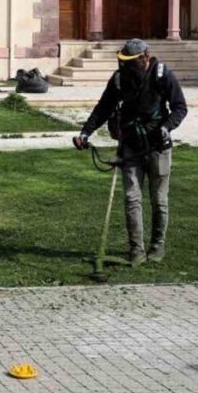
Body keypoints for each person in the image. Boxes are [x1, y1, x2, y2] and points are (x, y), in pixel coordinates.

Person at [73, 38, 188, 266]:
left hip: (158, 147)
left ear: (145, 57)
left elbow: (180, 107)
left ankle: (157, 246)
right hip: (130, 147)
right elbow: (103, 108)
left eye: (131, 61)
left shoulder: (162, 75)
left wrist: (166, 127)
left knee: (159, 200)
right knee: (131, 199)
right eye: (124, 61)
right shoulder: (119, 79)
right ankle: (136, 250)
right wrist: (85, 133)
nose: (126, 66)